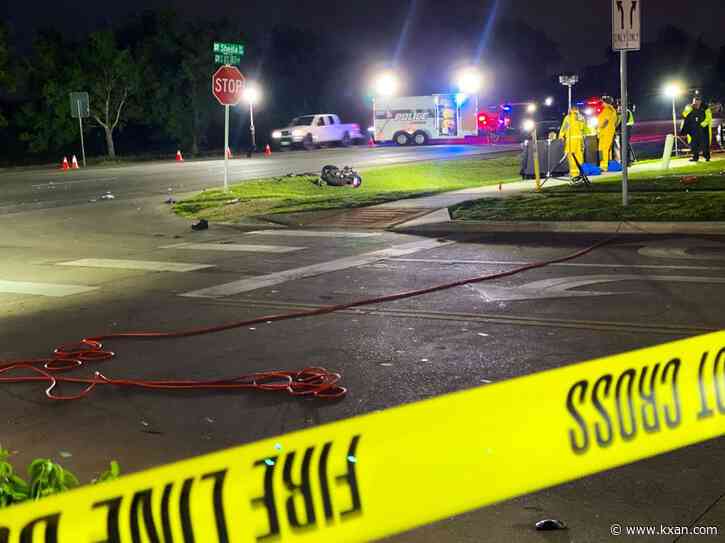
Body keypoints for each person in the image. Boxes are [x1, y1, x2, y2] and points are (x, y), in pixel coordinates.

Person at [559, 106, 585, 177]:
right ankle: (580, 172)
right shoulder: (581, 117)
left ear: (571, 109)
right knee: (579, 156)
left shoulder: (568, 117)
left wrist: (561, 136)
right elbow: (583, 128)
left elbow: (564, 128)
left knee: (571, 156)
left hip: (571, 140)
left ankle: (573, 173)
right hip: (579, 140)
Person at [681, 97, 707, 162]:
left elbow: (705, 117)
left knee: (702, 143)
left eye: (697, 101)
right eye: (694, 101)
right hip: (692, 129)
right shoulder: (689, 107)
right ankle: (695, 157)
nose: (696, 102)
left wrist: (702, 125)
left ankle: (706, 156)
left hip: (700, 128)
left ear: (700, 102)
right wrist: (690, 108)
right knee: (693, 144)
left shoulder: (703, 108)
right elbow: (684, 115)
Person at [597, 96, 618, 171]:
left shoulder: (608, 109)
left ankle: (604, 166)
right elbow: (615, 122)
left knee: (603, 149)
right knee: (605, 149)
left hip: (606, 132)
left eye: (603, 101)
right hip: (607, 131)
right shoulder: (611, 109)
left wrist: (600, 127)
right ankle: (607, 164)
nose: (602, 103)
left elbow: (606, 120)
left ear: (606, 102)